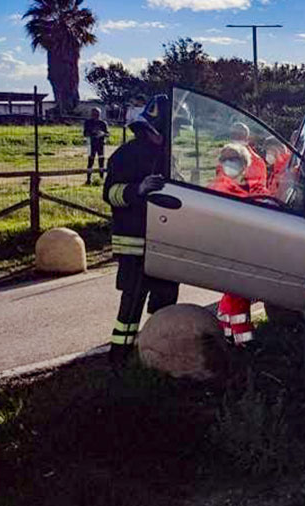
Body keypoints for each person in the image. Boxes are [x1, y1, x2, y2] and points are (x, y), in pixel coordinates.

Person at [103, 95, 180, 366]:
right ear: (152, 128)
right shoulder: (126, 155)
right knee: (132, 303)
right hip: (134, 244)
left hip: (164, 242)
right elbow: (109, 193)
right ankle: (119, 359)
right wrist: (138, 189)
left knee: (166, 298)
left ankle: (157, 354)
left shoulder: (168, 155)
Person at [208, 143, 264, 345]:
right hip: (231, 249)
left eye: (235, 160)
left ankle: (228, 332)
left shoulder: (246, 185)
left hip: (238, 248)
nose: (231, 164)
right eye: (228, 160)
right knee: (239, 295)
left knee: (232, 294)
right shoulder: (220, 187)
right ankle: (244, 340)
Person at [230, 122, 268, 194]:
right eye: (234, 135)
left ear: (247, 138)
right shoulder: (226, 158)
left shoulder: (256, 162)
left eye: (240, 135)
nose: (236, 138)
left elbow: (258, 192)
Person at [84, 107, 109, 184]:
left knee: (101, 160)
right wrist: (93, 133)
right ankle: (88, 179)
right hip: (91, 144)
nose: (95, 116)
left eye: (97, 114)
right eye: (94, 114)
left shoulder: (103, 123)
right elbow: (85, 133)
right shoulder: (88, 123)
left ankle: (101, 178)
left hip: (100, 144)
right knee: (90, 161)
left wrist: (102, 134)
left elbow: (107, 134)